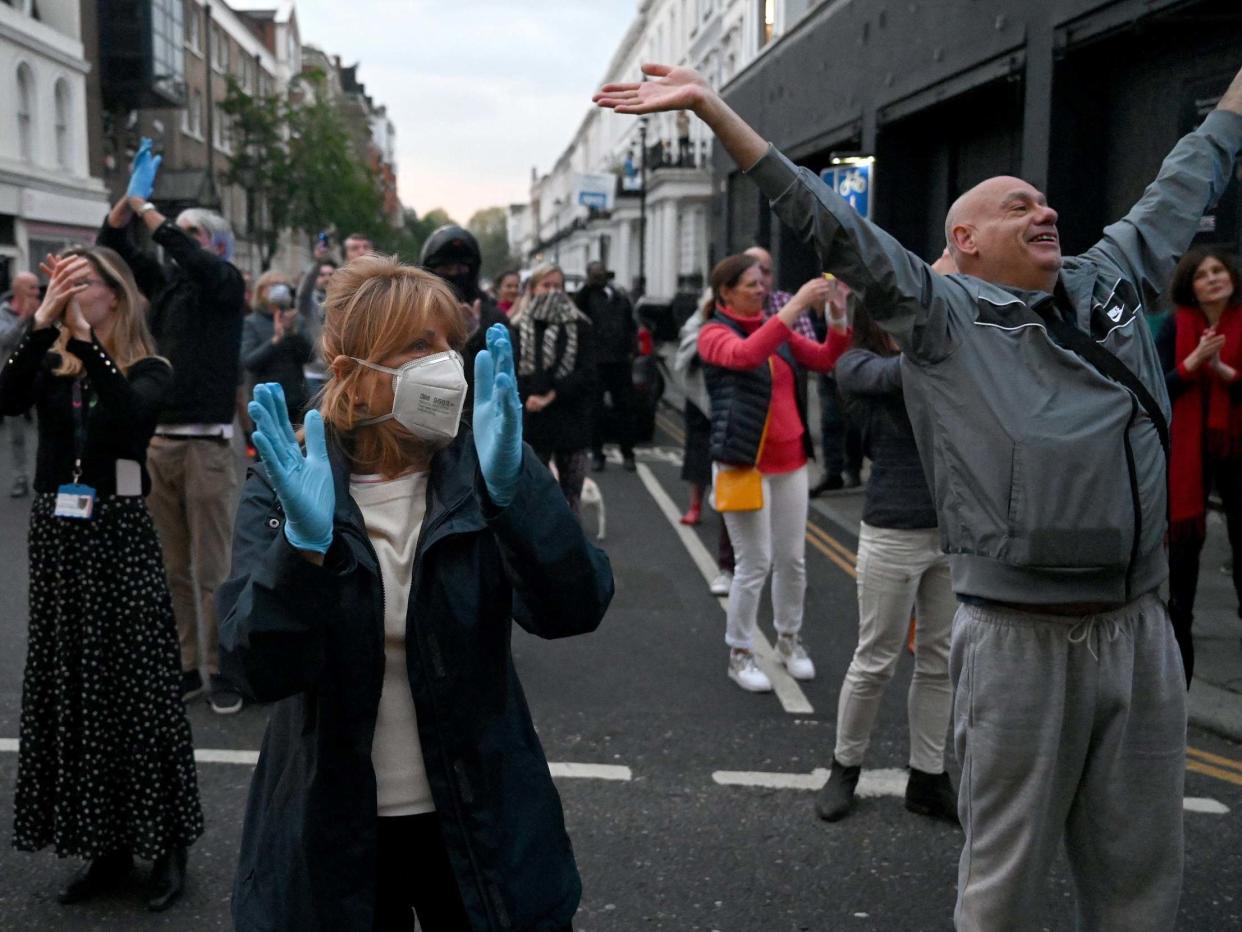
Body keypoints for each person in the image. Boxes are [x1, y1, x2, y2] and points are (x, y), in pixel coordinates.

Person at [596, 59, 1242, 930]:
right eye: (1017, 206)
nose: (1044, 210)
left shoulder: (1113, 278)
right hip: (1019, 641)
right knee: (1003, 887)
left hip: (1141, 627)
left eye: (1044, 202)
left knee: (1140, 881)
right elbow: (828, 225)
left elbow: (1194, 165)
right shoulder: (941, 314)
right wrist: (713, 109)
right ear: (966, 240)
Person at [216, 255, 613, 931]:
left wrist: (517, 493)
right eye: (419, 347)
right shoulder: (293, 487)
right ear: (356, 378)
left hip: (479, 815)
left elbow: (573, 606)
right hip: (336, 828)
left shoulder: (476, 468)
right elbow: (252, 663)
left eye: (449, 346)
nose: (447, 366)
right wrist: (302, 555)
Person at [0, 246, 203, 912]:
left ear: (114, 294)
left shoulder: (148, 365)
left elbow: (127, 417)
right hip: (60, 539)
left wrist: (88, 347)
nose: (71, 292)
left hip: (119, 535)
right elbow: (6, 399)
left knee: (139, 685)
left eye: (81, 283)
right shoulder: (54, 362)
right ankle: (105, 847)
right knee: (79, 688)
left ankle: (167, 841)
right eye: (63, 282)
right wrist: (40, 329)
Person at [96, 137, 248, 715]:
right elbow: (113, 250)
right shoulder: (164, 292)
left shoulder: (225, 287)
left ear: (216, 244)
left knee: (216, 569)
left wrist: (152, 212)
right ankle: (186, 665)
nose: (178, 239)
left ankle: (222, 667)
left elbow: (189, 254)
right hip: (161, 445)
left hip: (208, 447)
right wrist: (125, 202)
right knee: (170, 567)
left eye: (193, 232)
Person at [815, 303, 957, 825]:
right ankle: (845, 767)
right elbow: (894, 374)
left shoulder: (940, 360)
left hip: (952, 532)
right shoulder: (858, 365)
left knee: (940, 660)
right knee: (876, 658)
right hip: (893, 529)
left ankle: (928, 776)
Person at [697, 253, 850, 692]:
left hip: (791, 460)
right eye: (750, 284)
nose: (761, 289)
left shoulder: (776, 330)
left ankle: (788, 640)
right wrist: (798, 304)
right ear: (726, 292)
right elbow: (747, 354)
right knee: (754, 564)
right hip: (743, 463)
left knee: (793, 561)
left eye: (764, 281)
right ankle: (740, 652)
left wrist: (838, 315)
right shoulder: (714, 334)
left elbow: (824, 359)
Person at [1159, 246, 1242, 681]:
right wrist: (1194, 363)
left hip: (1236, 455)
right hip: (1186, 467)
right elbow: (1153, 392)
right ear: (1189, 285)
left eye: (1219, 270)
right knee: (1180, 585)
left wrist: (1224, 370)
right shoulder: (1176, 326)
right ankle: (1177, 681)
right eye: (1202, 274)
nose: (1213, 278)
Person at [511, 263, 597, 514]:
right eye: (545, 285)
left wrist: (551, 394)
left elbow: (587, 373)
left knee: (571, 497)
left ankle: (571, 548)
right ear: (533, 289)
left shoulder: (581, 325)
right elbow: (514, 370)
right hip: (534, 422)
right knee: (533, 495)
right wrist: (528, 396)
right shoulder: (519, 326)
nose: (552, 292)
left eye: (557, 286)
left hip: (572, 420)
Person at [674, 291, 737, 595]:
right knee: (696, 451)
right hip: (698, 396)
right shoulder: (699, 321)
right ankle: (695, 504)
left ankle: (724, 506)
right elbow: (687, 344)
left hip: (725, 396)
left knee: (724, 456)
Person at [419, 224, 510, 413]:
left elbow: (505, 372)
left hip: (478, 416)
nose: (454, 274)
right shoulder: (415, 314)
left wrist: (477, 336)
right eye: (446, 267)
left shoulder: (493, 316)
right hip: (430, 413)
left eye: (460, 267)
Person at [574, 260, 638, 472]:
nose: (598, 276)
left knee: (625, 408)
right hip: (596, 363)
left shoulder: (618, 294)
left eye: (601, 272)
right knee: (595, 410)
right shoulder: (585, 296)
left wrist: (631, 349)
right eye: (594, 273)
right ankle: (597, 454)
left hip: (620, 362)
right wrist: (586, 286)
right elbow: (577, 314)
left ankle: (628, 453)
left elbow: (630, 324)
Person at [241, 271, 312, 423]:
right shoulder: (251, 322)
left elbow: (310, 356)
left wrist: (292, 333)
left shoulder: (295, 320)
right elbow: (249, 362)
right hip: (265, 401)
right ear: (261, 291)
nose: (280, 289)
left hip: (295, 399)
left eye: (284, 286)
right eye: (274, 285)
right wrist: (275, 340)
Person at [0, 270, 40, 497]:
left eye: (36, 287)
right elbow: (4, 339)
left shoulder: (45, 310)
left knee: (47, 429)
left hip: (40, 378)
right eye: (31, 287)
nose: (36, 292)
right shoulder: (3, 312)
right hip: (12, 380)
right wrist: (24, 318)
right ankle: (20, 478)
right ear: (17, 290)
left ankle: (46, 476)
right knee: (16, 436)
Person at [295, 242, 339, 399]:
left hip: (339, 372)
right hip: (315, 374)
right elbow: (303, 293)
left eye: (331, 274)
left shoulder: (343, 303)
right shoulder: (309, 305)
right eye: (322, 274)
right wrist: (317, 262)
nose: (327, 278)